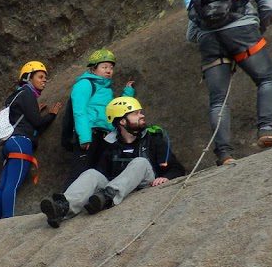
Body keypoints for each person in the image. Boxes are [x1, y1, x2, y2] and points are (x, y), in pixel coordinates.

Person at [187, 0, 272, 166]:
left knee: (218, 101)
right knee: (267, 78)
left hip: (207, 40)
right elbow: (270, 6)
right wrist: (257, 27)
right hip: (241, 33)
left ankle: (224, 154)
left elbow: (191, 34)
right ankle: (267, 129)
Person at [40, 97, 184, 228]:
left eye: (140, 112)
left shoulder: (154, 139)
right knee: (91, 173)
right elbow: (101, 174)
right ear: (122, 121)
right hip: (112, 188)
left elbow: (177, 168)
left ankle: (107, 197)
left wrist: (166, 177)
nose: (142, 115)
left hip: (144, 184)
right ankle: (62, 207)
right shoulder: (109, 144)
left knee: (140, 162)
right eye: (136, 113)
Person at [0, 60, 62, 220]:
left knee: (2, 187)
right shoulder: (27, 94)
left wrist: (37, 111)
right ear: (29, 77)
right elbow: (37, 123)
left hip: (11, 143)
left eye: (45, 78)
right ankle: (7, 220)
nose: (44, 80)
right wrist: (52, 115)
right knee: (12, 185)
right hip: (21, 143)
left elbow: (29, 121)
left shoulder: (17, 95)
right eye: (40, 76)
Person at [64, 48, 136, 184]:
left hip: (105, 136)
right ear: (93, 68)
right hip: (90, 134)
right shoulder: (85, 84)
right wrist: (84, 136)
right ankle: (63, 202)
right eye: (104, 67)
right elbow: (79, 111)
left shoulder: (106, 89)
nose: (109, 70)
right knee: (79, 172)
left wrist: (128, 93)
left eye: (111, 67)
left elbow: (114, 111)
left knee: (97, 173)